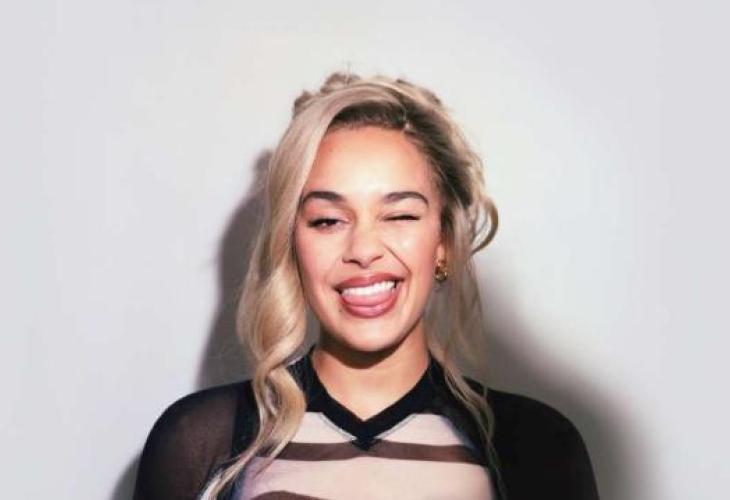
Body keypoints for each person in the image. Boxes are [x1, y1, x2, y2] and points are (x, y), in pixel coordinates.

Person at [133, 72, 600, 500]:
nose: (363, 249)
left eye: (399, 215)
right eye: (328, 220)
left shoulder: (538, 445)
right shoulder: (199, 442)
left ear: (443, 242)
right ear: (292, 245)